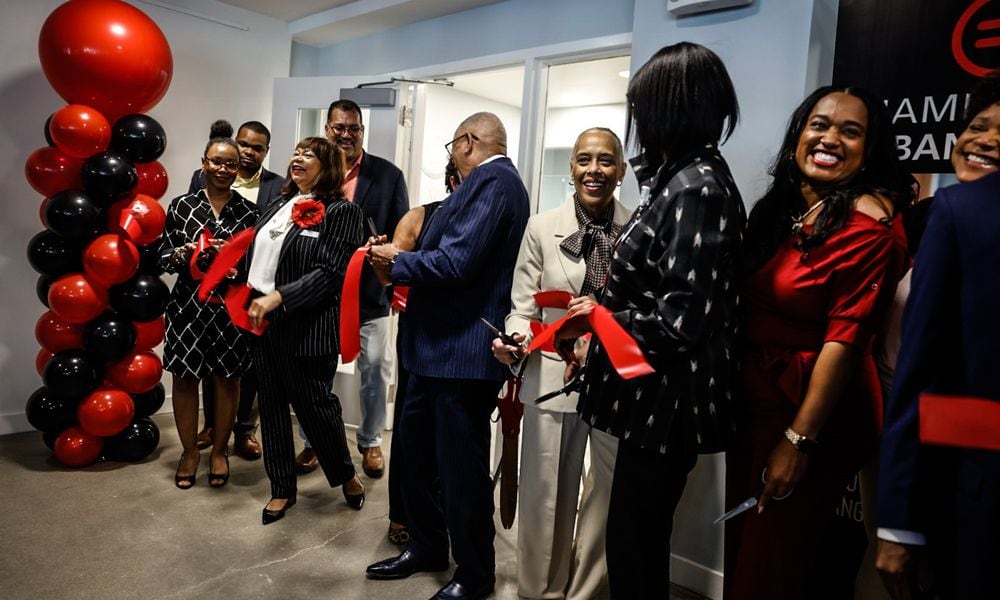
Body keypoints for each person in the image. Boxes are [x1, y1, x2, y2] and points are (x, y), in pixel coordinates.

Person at [556, 43, 745, 599]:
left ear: (672, 107)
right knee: (631, 540)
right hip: (649, 402)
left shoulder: (699, 188)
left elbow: (681, 318)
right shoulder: (676, 176)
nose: (635, 119)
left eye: (642, 106)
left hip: (665, 406)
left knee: (635, 547)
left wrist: (599, 322)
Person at [723, 85, 911, 600]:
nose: (830, 138)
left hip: (811, 412)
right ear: (798, 137)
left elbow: (845, 342)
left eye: (851, 131)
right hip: (758, 402)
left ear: (869, 151)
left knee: (769, 569)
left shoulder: (869, 228)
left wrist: (797, 440)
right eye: (819, 124)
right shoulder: (789, 207)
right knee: (746, 552)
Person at [365, 112, 529, 600]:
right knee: (415, 460)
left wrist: (396, 262)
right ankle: (427, 546)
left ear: (468, 142)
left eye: (452, 146)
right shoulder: (480, 183)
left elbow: (457, 262)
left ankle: (475, 575)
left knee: (461, 473)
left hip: (461, 355)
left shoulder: (496, 181)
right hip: (429, 350)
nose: (451, 155)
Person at [491, 127, 630, 600]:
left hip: (617, 381)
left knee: (605, 498)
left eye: (606, 160)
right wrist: (515, 338)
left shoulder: (637, 230)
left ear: (622, 170)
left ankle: (585, 591)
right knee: (545, 491)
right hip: (551, 374)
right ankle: (538, 592)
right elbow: (521, 306)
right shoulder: (540, 226)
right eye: (585, 160)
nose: (595, 170)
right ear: (571, 169)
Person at [876, 74, 1000, 600]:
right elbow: (929, 372)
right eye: (977, 126)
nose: (987, 140)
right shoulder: (932, 216)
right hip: (937, 463)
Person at [244, 136, 366, 524]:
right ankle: (281, 489)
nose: (297, 157)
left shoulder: (342, 212)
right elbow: (261, 257)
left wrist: (278, 297)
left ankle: (345, 475)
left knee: (317, 409)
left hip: (307, 327)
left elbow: (330, 273)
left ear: (327, 166)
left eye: (309, 154)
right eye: (296, 151)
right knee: (273, 408)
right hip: (263, 322)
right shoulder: (277, 204)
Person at [295, 99, 409, 478]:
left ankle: (371, 441)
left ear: (362, 131)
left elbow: (402, 235)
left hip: (369, 295)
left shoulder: (388, 175)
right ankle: (314, 441)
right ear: (327, 129)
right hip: (317, 293)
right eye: (338, 128)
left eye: (353, 128)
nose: (345, 134)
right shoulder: (310, 173)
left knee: (375, 369)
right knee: (315, 371)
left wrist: (387, 258)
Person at [159, 136, 257, 489]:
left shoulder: (249, 213)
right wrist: (182, 255)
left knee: (228, 380)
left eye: (231, 164)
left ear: (239, 169)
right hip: (187, 308)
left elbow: (257, 265)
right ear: (204, 162)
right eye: (217, 161)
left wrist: (235, 269)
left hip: (228, 310)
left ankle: (219, 451)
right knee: (185, 379)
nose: (223, 169)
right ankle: (189, 452)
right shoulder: (181, 206)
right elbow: (161, 256)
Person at [189, 120, 283, 461]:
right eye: (243, 144)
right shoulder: (203, 178)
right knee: (211, 359)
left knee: (250, 365)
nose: (247, 151)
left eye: (256, 148)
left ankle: (245, 430)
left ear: (265, 152)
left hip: (252, 287)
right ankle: (213, 427)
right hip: (212, 289)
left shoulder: (280, 187)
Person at [385, 159, 456, 546]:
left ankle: (444, 512)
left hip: (463, 336)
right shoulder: (419, 217)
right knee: (411, 429)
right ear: (449, 180)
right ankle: (402, 513)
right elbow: (393, 269)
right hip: (419, 331)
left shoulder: (484, 219)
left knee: (450, 434)